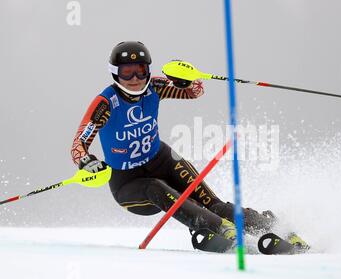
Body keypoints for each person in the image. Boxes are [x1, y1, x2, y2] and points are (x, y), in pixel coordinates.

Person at [71, 41, 308, 249]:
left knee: (211, 203)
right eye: (127, 73)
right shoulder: (106, 103)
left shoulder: (154, 86)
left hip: (161, 159)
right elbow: (79, 143)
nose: (135, 79)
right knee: (155, 187)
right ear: (115, 74)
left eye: (140, 71)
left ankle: (273, 227)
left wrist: (185, 77)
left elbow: (194, 91)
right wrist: (86, 161)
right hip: (127, 181)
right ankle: (220, 228)